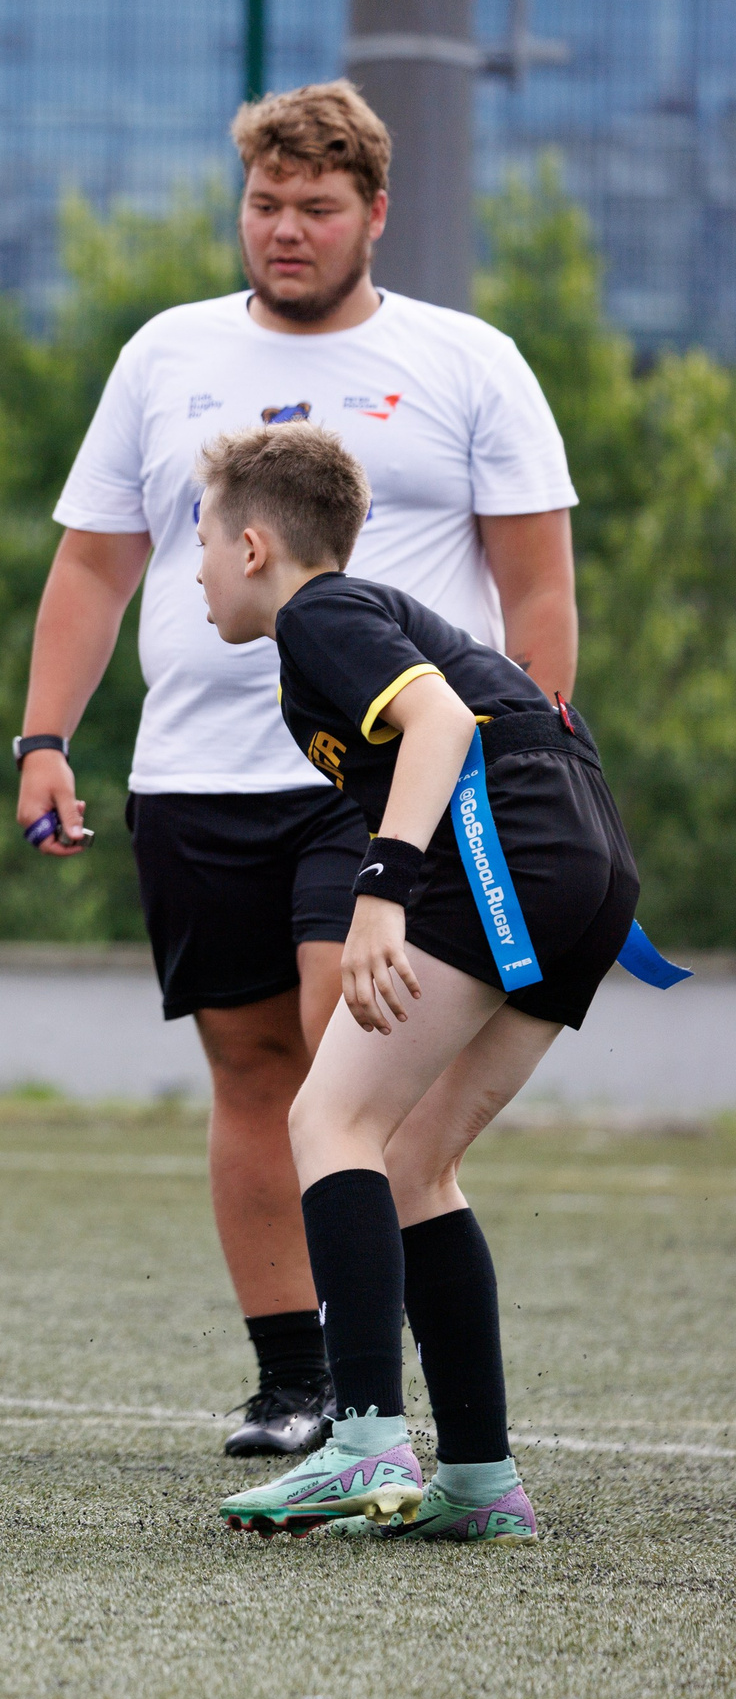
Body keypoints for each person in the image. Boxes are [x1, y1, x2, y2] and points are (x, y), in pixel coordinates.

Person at [16, 81, 581, 1456]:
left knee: (351, 1046)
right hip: (195, 778)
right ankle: (294, 1382)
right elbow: (97, 563)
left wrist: (530, 770)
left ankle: (373, 1391)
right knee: (255, 1073)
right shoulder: (165, 354)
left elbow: (540, 587)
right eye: (265, 204)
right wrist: (45, 739)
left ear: (374, 215)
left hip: (383, 781)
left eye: (316, 208)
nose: (285, 229)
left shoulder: (470, 359)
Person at [192, 425, 636, 1542]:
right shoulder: (344, 618)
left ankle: (362, 1444)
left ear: (252, 546)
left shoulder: (318, 613)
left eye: (195, 542)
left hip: (515, 841)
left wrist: (380, 892)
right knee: (408, 1159)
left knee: (328, 1116)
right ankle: (478, 1480)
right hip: (580, 855)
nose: (191, 572)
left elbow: (441, 721)